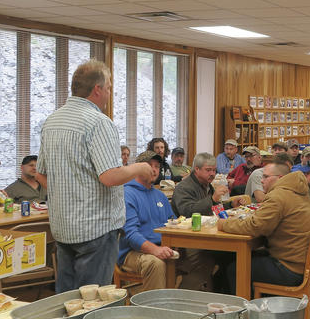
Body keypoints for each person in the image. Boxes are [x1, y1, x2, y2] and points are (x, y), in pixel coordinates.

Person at [37, 59, 154, 292]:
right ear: (97, 89)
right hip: (95, 229)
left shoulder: (52, 121)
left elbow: (41, 175)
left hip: (63, 227)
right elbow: (110, 176)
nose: (110, 93)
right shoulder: (99, 123)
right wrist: (139, 168)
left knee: (67, 301)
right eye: (109, 88)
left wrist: (70, 193)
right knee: (92, 302)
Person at [218, 164, 310, 291]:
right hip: (303, 263)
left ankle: (246, 309)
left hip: (289, 268)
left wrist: (223, 224)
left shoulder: (278, 196)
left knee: (235, 269)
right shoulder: (298, 191)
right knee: (239, 258)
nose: (261, 180)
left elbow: (255, 226)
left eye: (266, 177)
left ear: (279, 178)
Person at [118, 151, 176, 291]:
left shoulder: (160, 195)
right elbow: (131, 235)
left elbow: (173, 223)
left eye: (157, 166)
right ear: (138, 168)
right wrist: (155, 250)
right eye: (150, 165)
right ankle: (152, 310)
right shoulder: (127, 194)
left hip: (163, 247)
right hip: (132, 252)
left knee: (198, 256)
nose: (154, 170)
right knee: (155, 263)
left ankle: (176, 302)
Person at [171, 152, 246, 217]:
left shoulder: (206, 184)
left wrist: (231, 205)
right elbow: (187, 212)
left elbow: (213, 208)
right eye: (208, 170)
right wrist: (212, 199)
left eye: (214, 170)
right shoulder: (183, 187)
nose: (212, 174)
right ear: (197, 169)